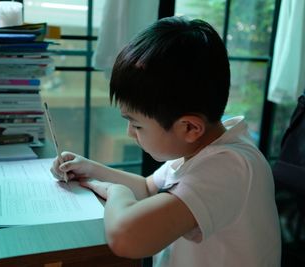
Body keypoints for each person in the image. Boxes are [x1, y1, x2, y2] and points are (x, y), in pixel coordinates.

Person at [51, 16, 281, 267]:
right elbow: (149, 188)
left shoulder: (230, 168)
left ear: (189, 127)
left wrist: (116, 191)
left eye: (137, 124)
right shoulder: (200, 146)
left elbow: (126, 237)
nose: (130, 132)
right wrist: (91, 169)